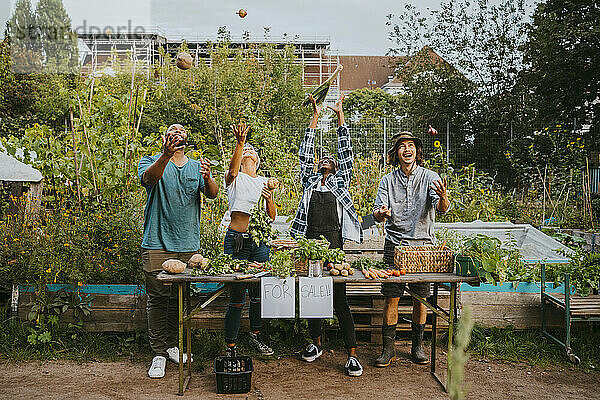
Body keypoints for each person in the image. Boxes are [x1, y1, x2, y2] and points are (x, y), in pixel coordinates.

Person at [291, 94, 364, 377]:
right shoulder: (309, 182)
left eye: (331, 160)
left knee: (339, 299)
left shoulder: (340, 182)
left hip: (334, 245)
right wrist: (315, 116)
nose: (326, 161)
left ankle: (352, 354)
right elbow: (305, 152)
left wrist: (340, 116)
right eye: (323, 159)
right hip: (310, 243)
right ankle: (316, 344)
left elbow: (346, 153)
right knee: (312, 297)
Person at [138, 124, 219, 378]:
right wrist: (165, 154)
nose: (176, 133)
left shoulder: (196, 167)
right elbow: (148, 180)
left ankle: (173, 346)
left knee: (179, 298)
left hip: (187, 244)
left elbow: (213, 194)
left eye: (180, 130)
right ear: (165, 138)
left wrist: (208, 178)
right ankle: (158, 354)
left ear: (186, 138)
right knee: (158, 298)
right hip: (156, 242)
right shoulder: (151, 160)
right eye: (171, 131)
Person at [372, 131, 450, 367]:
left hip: (422, 249)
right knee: (391, 299)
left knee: (420, 299)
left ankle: (417, 347)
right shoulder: (388, 180)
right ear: (396, 153)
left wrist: (444, 197)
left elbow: (442, 208)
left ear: (417, 151)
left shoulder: (430, 177)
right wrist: (381, 213)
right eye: (402, 146)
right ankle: (389, 350)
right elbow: (377, 212)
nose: (407, 149)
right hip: (395, 247)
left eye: (411, 146)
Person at [223, 122, 277, 357]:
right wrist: (240, 142)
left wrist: (269, 198)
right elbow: (233, 171)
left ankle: (256, 336)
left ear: (258, 161)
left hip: (260, 242)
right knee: (237, 293)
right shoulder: (234, 179)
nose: (249, 152)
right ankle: (231, 346)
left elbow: (272, 216)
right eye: (246, 150)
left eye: (252, 151)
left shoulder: (264, 182)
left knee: (257, 294)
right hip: (237, 239)